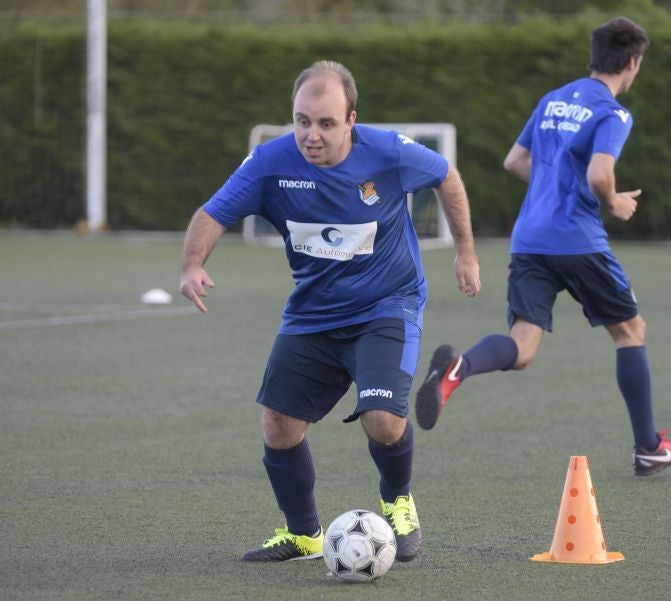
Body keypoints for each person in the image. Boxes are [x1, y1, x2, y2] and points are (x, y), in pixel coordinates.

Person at [179, 60, 481, 562]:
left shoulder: (388, 153)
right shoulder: (268, 163)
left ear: (351, 120)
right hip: (313, 315)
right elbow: (214, 212)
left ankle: (398, 500)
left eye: (325, 123)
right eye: (301, 121)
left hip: (388, 304)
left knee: (383, 419)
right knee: (278, 425)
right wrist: (191, 264)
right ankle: (303, 535)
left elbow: (447, 176)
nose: (311, 135)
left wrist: (465, 251)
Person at [414, 18, 671, 476]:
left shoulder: (553, 100)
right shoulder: (612, 113)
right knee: (630, 332)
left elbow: (514, 161)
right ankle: (648, 448)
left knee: (522, 348)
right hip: (577, 240)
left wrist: (554, 184)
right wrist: (612, 201)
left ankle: (459, 368)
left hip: (530, 240)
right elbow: (599, 175)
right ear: (631, 62)